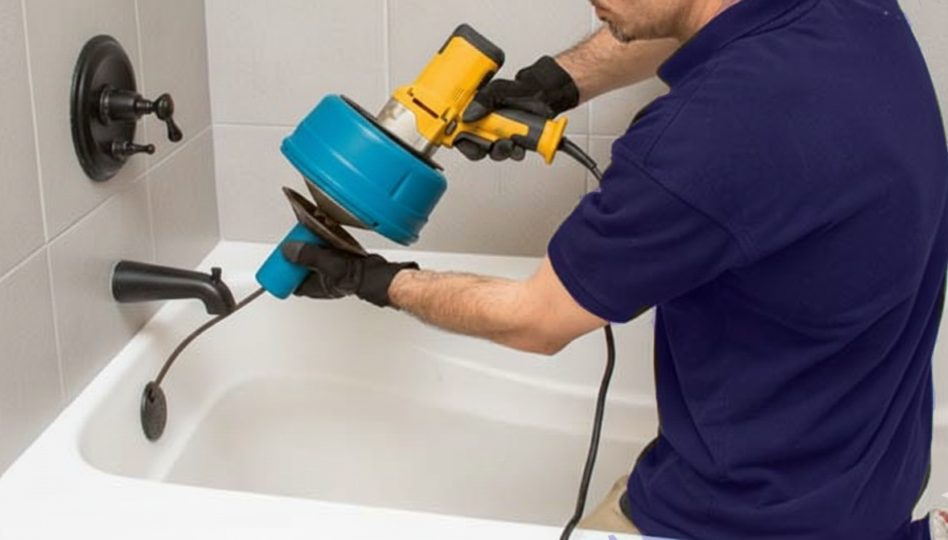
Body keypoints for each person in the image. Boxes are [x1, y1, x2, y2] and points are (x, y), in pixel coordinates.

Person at [281, 0, 948, 537]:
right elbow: (678, 19)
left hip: (738, 519)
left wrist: (373, 280)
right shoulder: (857, 18)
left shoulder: (704, 137)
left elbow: (535, 321)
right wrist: (551, 85)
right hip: (868, 489)